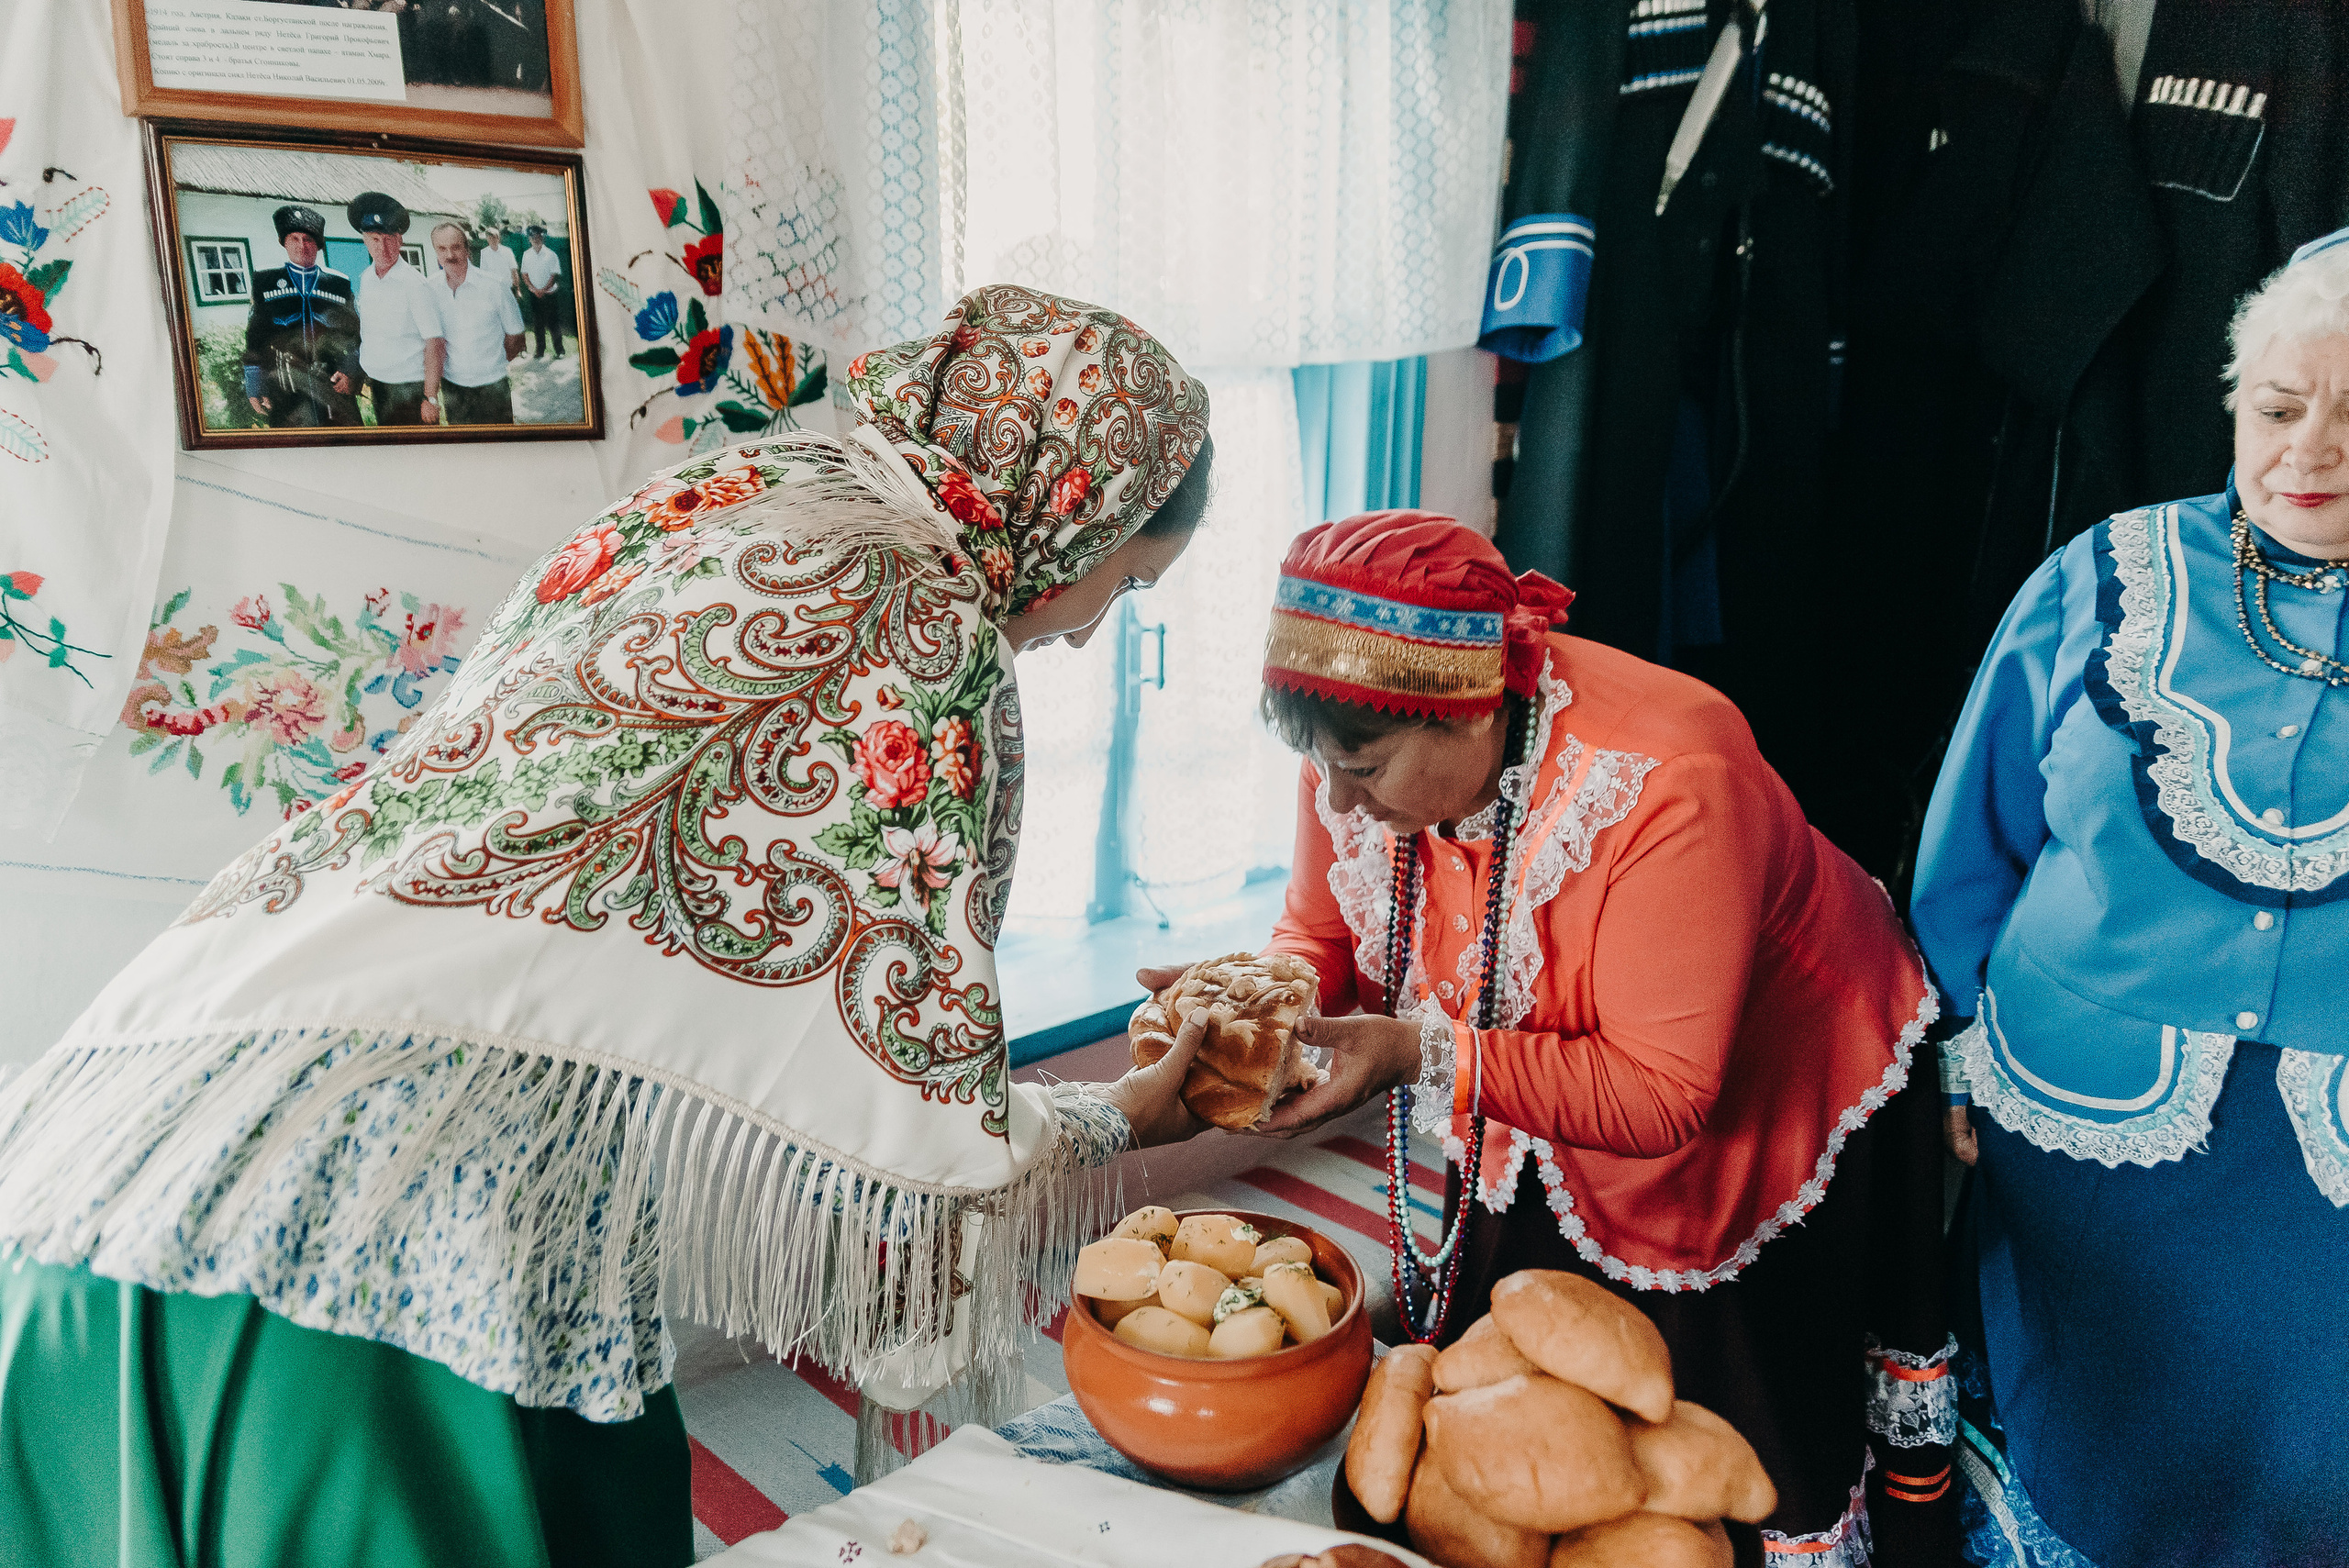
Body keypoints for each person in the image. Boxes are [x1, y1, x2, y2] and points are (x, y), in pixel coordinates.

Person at [0, 285, 1216, 1567]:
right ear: (1073, 514)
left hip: (94, 1155)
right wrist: (1122, 1115)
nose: (1090, 629)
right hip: (369, 1251)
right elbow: (911, 1127)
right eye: (1128, 582)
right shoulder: (925, 624)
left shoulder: (729, 498)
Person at [1162, 512, 1954, 1565]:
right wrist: (1259, 1007)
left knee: (1698, 1435)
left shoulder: (1669, 774)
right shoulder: (1353, 742)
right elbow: (1319, 931)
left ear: (1469, 714)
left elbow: (1661, 1094)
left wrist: (1416, 1050)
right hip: (1537, 1060)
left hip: (1760, 1079)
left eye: (1362, 767)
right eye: (1316, 763)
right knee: (1523, 1400)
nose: (1335, 797)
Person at [1911, 232, 2349, 1568]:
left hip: (2320, 1190)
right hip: (2081, 1134)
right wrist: (1953, 1055)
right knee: (2077, 1448)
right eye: (2277, 408)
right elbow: (1971, 844)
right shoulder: (2104, 577)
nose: (2309, 449)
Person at [239, 203, 362, 428]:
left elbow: (356, 335)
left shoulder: (338, 284)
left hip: (333, 389)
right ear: (284, 242)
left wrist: (350, 371)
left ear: (318, 245)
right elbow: (255, 336)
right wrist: (255, 383)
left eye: (308, 240)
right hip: (287, 392)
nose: (302, 246)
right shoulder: (265, 282)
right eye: (294, 239)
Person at [347, 191, 447, 426]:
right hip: (378, 388)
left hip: (409, 391)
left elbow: (435, 342)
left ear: (400, 240)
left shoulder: (415, 284)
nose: (383, 248)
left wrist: (430, 397)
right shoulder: (366, 279)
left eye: (389, 239)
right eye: (375, 239)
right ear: (364, 241)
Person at [428, 221, 525, 426]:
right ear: (436, 252)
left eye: (455, 247)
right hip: (453, 388)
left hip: (492, 387)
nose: (449, 255)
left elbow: (516, 337)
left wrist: (490, 365)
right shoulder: (430, 289)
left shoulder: (495, 286)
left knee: (500, 443)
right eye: (442, 249)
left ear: (467, 249)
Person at [521, 223, 564, 358]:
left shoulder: (551, 255)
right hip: (534, 295)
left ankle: (560, 351)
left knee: (553, 323)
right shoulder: (526, 255)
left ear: (542, 237)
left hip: (549, 294)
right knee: (538, 324)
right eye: (532, 237)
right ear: (529, 239)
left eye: (537, 237)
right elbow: (524, 274)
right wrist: (534, 289)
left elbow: (554, 275)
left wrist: (543, 290)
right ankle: (540, 351)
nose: (535, 239)